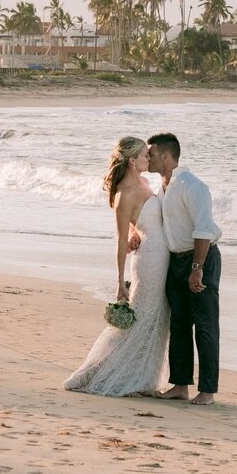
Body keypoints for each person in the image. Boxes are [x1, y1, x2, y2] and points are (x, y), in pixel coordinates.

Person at [64, 137, 170, 396]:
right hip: (150, 261)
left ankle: (141, 377)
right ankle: (96, 372)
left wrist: (137, 230)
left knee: (156, 318)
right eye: (145, 155)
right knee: (141, 318)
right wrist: (120, 281)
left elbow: (140, 223)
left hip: (161, 253)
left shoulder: (144, 183)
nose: (149, 158)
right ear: (133, 161)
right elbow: (120, 240)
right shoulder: (124, 194)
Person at [147, 133, 222, 406]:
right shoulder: (163, 187)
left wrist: (197, 268)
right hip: (175, 261)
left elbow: (203, 230)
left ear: (165, 157)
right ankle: (180, 385)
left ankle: (208, 391)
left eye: (151, 154)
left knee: (205, 324)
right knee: (178, 324)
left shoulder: (193, 186)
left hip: (201, 260)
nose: (148, 158)